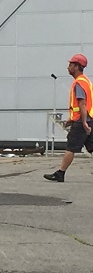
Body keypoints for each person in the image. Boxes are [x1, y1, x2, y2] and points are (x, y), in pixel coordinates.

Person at [44, 54, 93, 182]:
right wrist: (73, 119)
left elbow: (82, 103)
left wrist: (82, 122)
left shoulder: (79, 83)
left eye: (70, 65)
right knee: (92, 147)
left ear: (77, 67)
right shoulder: (86, 81)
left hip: (82, 122)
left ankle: (60, 173)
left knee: (71, 147)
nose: (68, 67)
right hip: (89, 120)